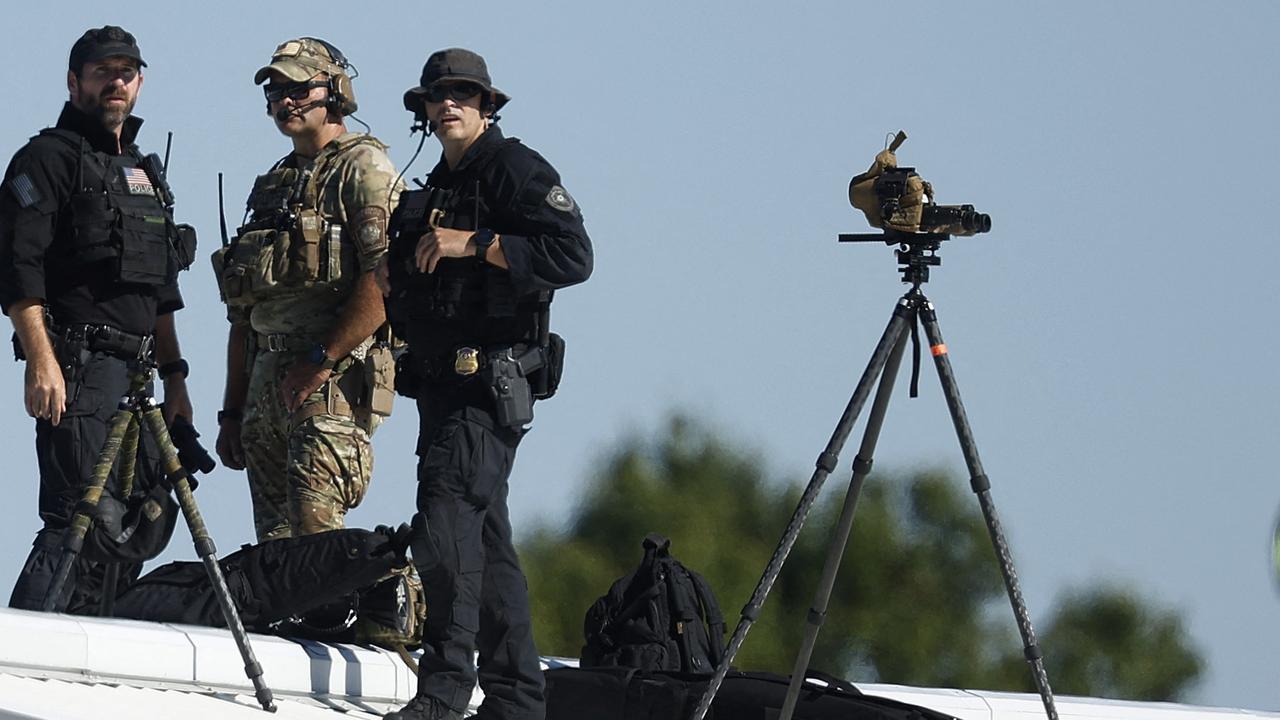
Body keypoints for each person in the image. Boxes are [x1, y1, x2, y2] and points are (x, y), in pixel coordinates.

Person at [382, 48, 593, 720]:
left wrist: (473, 243)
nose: (449, 105)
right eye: (438, 96)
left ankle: (444, 693)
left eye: (465, 95)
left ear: (488, 106)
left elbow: (573, 255)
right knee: (486, 542)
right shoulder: (433, 186)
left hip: (488, 387)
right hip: (442, 391)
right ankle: (516, 699)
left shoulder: (514, 170)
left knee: (443, 530)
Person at [0, 26, 195, 613]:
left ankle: (89, 649)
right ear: (74, 80)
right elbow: (17, 269)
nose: (116, 82)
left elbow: (160, 292)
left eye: (126, 72)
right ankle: (21, 652)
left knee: (132, 528)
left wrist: (177, 381)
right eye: (102, 71)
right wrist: (41, 359)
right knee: (77, 517)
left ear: (140, 82)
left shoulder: (144, 172)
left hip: (139, 380)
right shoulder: (46, 159)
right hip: (79, 369)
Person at [213, 37, 402, 542]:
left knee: (316, 542)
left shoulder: (362, 168)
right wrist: (232, 412)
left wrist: (320, 360)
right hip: (266, 383)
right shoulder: (275, 182)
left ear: (335, 91)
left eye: (299, 88)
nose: (285, 101)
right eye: (276, 91)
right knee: (275, 556)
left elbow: (384, 279)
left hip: (331, 378)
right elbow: (244, 313)